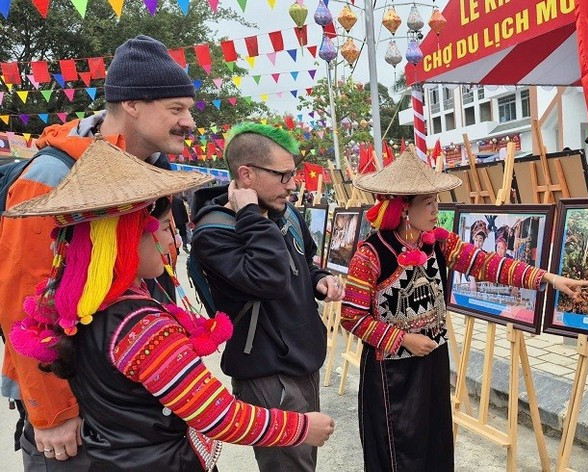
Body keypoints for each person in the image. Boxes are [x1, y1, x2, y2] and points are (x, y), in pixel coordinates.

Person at [5, 139, 335, 470]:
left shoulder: (82, 311)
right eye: (164, 228)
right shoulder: (140, 326)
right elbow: (216, 413)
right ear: (129, 237)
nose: (171, 241)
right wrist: (302, 427)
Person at [0, 34, 201, 469]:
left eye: (189, 110)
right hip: (76, 408)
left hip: (128, 395)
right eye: (176, 109)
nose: (190, 123)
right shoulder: (52, 174)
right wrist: (51, 412)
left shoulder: (151, 170)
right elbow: (24, 298)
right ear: (131, 104)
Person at [340, 150, 588, 471]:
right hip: (392, 373)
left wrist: (548, 278)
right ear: (404, 208)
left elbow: (487, 263)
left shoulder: (437, 242)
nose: (436, 209)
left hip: (432, 360)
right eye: (428, 203)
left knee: (435, 442)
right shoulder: (370, 255)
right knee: (400, 452)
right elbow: (352, 316)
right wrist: (403, 339)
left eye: (436, 201)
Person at [191, 122, 345, 471]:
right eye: (283, 176)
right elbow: (269, 278)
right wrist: (248, 215)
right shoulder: (214, 231)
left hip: (302, 360)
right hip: (266, 372)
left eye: (293, 174)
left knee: (303, 463)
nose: (292, 185)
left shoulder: (284, 212)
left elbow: (304, 263)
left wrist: (320, 279)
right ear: (246, 174)